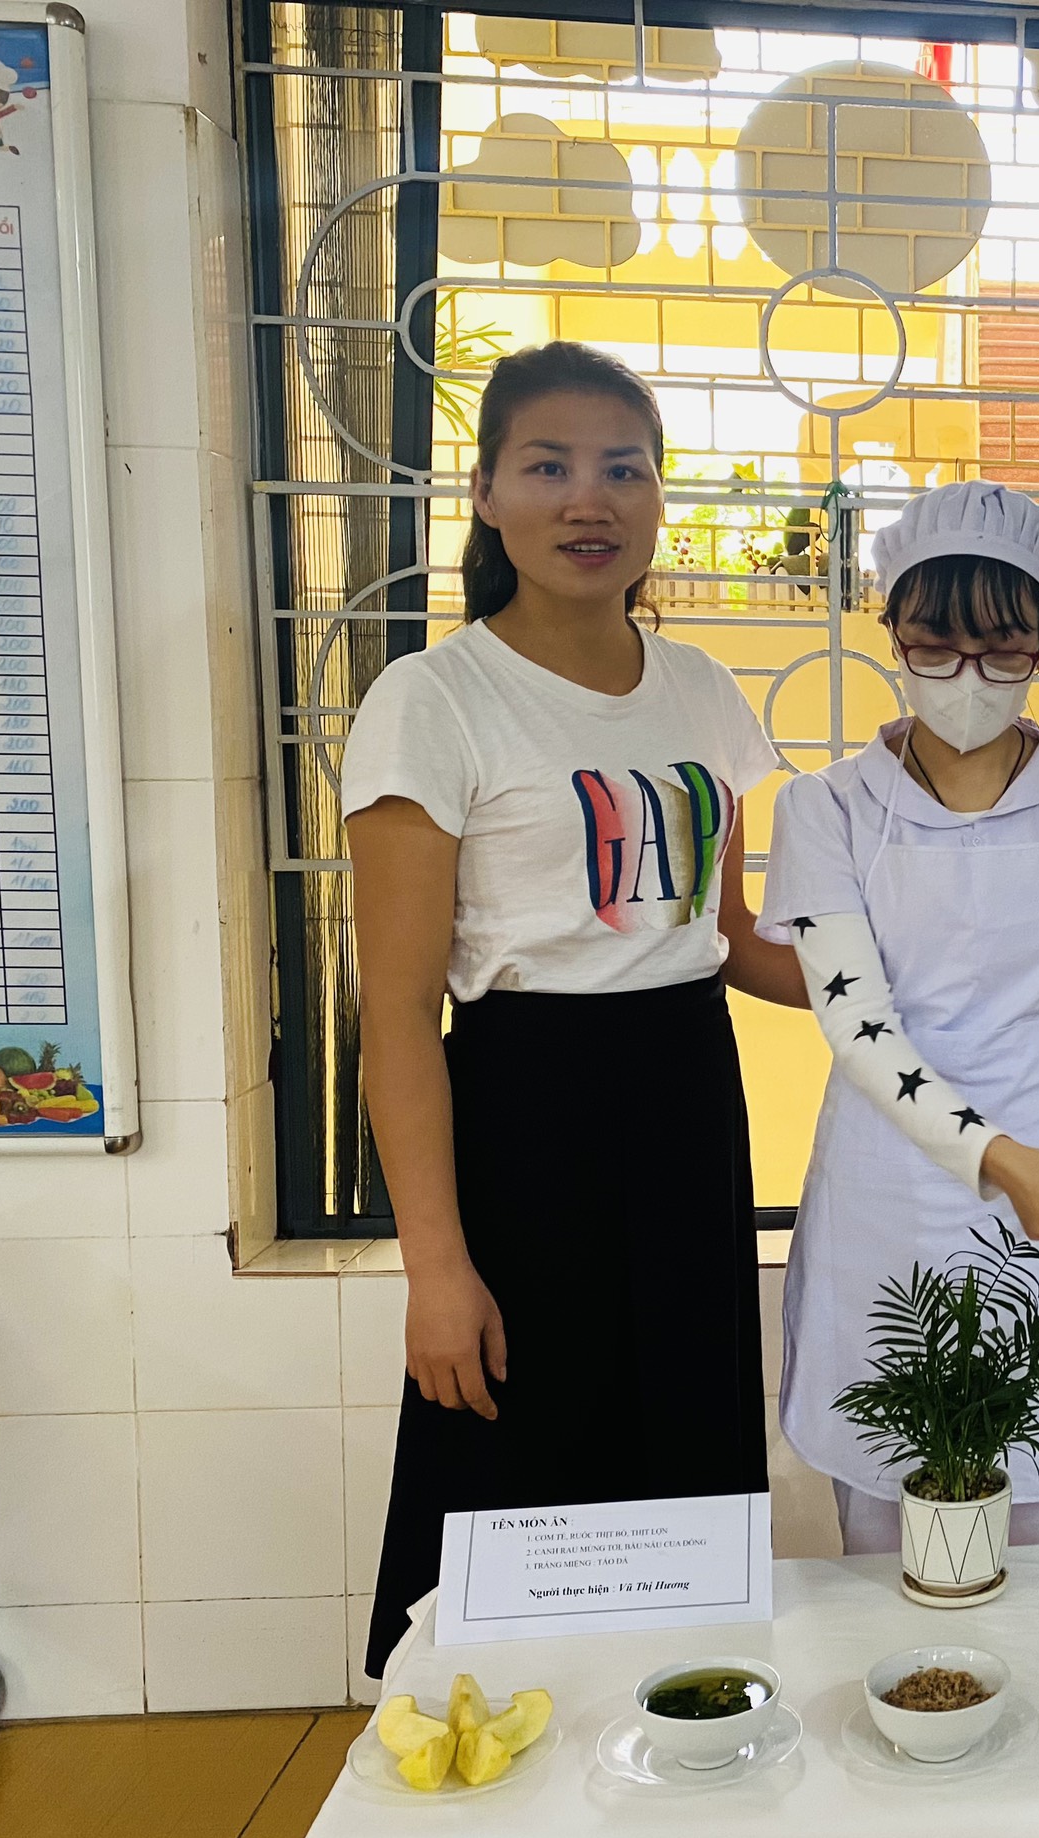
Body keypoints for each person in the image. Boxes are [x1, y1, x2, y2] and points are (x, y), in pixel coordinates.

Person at [343, 342, 805, 1677]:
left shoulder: (701, 688)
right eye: (548, 467)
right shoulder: (435, 700)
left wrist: (913, 993)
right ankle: (497, 1749)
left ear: (660, 497)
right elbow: (398, 1022)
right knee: (521, 1455)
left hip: (687, 1101)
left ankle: (688, 1729)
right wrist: (437, 1268)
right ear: (486, 493)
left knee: (686, 1443)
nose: (588, 500)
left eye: (624, 469)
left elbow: (723, 939)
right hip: (526, 1117)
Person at [764, 481, 1039, 1559]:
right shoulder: (827, 809)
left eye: (1002, 650)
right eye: (936, 646)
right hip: (886, 1197)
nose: (968, 677)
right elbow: (859, 1030)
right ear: (890, 632)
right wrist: (1009, 1134)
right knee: (885, 1524)